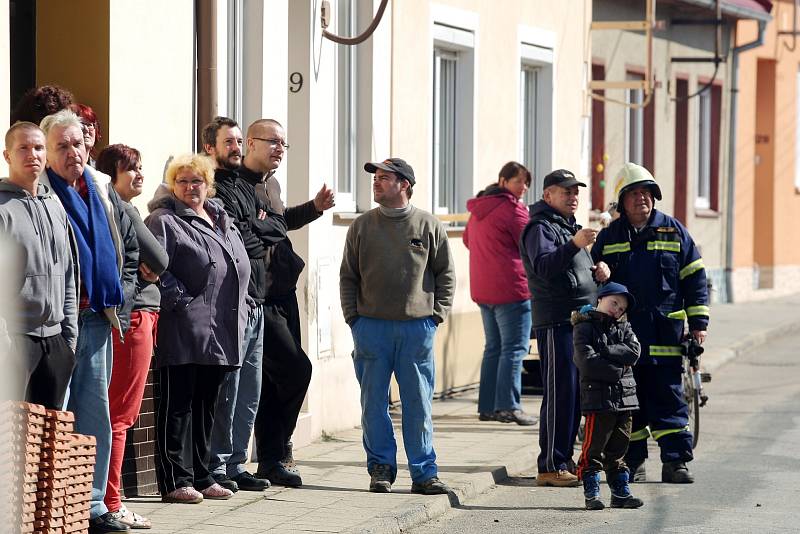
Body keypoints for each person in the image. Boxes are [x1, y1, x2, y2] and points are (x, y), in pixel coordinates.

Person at [39, 109, 139, 534]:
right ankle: (48, 507)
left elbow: (128, 246)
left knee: (94, 416)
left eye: (77, 144)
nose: (72, 152)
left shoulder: (98, 185)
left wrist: (125, 294)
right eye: (61, 146)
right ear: (46, 152)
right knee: (55, 415)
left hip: (99, 317)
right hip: (58, 323)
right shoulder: (39, 191)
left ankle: (94, 506)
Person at [340, 158, 456, 495]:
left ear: (404, 184)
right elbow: (349, 276)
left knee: (418, 403)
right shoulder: (361, 226)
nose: (376, 183)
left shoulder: (428, 225)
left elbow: (446, 273)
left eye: (384, 178)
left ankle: (424, 473)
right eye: (375, 178)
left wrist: (437, 315)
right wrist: (354, 318)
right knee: (372, 402)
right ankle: (380, 468)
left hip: (417, 328)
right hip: (370, 328)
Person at [592, 162, 709, 484]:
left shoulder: (674, 231)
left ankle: (676, 463)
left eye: (646, 193)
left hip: (665, 335)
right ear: (622, 200)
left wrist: (698, 324)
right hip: (624, 339)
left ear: (654, 198)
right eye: (634, 194)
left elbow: (694, 278)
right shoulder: (609, 237)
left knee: (669, 400)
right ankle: (634, 461)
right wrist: (600, 272)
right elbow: (595, 285)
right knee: (630, 403)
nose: (641, 199)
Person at [145, 154, 250, 504]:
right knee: (178, 405)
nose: (190, 188)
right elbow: (152, 266)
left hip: (220, 328)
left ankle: (203, 475)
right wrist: (180, 300)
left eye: (197, 181)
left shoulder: (221, 216)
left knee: (207, 405)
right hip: (184, 326)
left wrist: (246, 304)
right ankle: (176, 479)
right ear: (173, 186)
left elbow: (236, 264)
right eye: (183, 181)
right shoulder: (164, 220)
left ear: (208, 184)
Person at [243, 119, 334, 487]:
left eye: (284, 143)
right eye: (273, 142)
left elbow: (279, 225)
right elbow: (258, 232)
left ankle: (271, 458)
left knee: (274, 380)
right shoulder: (237, 186)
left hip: (284, 293)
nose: (280, 148)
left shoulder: (272, 184)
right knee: (298, 370)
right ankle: (277, 450)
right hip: (259, 298)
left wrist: (313, 207)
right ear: (251, 143)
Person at [202, 116, 287, 492]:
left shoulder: (247, 185)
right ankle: (218, 465)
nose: (236, 148)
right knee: (230, 388)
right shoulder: (213, 187)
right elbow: (240, 238)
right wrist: (257, 231)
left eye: (239, 142)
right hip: (231, 303)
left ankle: (238, 463)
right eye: (230, 142)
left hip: (257, 298)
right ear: (211, 148)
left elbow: (277, 229)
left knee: (250, 389)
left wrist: (259, 228)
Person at [519, 169, 608, 488]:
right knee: (560, 395)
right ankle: (550, 464)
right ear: (547, 196)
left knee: (574, 396)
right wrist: (574, 245)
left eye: (575, 192)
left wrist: (597, 270)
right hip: (557, 320)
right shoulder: (539, 227)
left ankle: (564, 459)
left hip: (580, 320)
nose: (573, 197)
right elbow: (544, 267)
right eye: (565, 192)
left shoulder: (566, 227)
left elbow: (572, 268)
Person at [96, 144, 168, 529]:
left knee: (119, 411)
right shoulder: (120, 209)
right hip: (135, 317)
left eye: (141, 167)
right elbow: (161, 259)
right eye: (131, 169)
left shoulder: (127, 210)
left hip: (140, 315)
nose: (140, 175)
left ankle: (107, 497)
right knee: (120, 414)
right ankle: (111, 499)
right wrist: (145, 269)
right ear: (111, 176)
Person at [0, 121, 77, 409]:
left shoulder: (55, 205)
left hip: (55, 344)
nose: (32, 154)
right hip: (15, 343)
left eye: (38, 147)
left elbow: (69, 274)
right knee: (10, 446)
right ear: (7, 156)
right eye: (23, 148)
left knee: (48, 446)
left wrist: (68, 340)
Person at [463, 161, 536, 426]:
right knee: (515, 349)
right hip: (512, 289)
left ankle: (488, 407)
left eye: (526, 182)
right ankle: (508, 406)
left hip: (483, 289)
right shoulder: (513, 211)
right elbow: (532, 245)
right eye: (518, 181)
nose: (524, 187)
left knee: (494, 348)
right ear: (503, 181)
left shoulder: (480, 208)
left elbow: (467, 240)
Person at [572, 282, 643, 510]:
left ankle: (620, 493)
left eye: (621, 308)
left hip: (625, 400)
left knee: (619, 449)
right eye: (614, 303)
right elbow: (587, 363)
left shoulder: (625, 328)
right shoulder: (584, 328)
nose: (617, 310)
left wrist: (605, 351)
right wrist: (619, 368)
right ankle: (592, 492)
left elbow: (633, 351)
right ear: (600, 299)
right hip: (598, 401)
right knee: (593, 448)